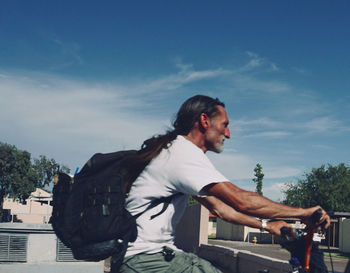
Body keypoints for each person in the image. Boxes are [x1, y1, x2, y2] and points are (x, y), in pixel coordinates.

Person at [118, 95, 330, 273]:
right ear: (204, 121)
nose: (228, 134)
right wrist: (304, 213)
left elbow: (222, 210)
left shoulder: (173, 152)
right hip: (146, 260)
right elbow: (242, 201)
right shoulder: (182, 154)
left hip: (141, 259)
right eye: (225, 125)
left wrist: (267, 225)